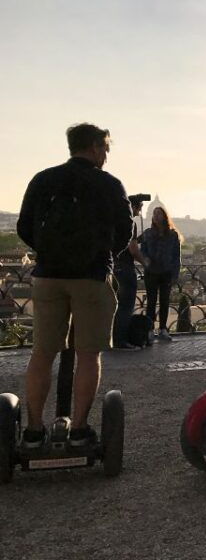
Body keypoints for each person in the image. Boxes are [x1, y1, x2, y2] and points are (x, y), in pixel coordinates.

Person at [16, 123, 132, 448]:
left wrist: (50, 251)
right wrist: (104, 253)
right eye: (105, 149)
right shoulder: (109, 184)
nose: (106, 155)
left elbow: (25, 226)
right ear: (95, 147)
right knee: (88, 354)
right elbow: (125, 231)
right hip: (91, 276)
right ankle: (79, 429)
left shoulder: (43, 179)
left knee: (42, 353)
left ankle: (34, 430)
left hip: (48, 275)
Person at [140, 206, 182, 341]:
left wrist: (175, 274)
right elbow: (142, 250)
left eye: (158, 214)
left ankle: (163, 329)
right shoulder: (147, 233)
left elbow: (176, 256)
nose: (156, 216)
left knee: (165, 301)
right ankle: (150, 329)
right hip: (151, 272)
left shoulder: (173, 235)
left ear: (164, 216)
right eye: (154, 214)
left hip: (166, 272)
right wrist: (145, 260)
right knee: (151, 302)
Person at [112, 197, 148, 349]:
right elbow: (133, 249)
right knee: (126, 306)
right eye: (139, 208)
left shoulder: (112, 221)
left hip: (112, 268)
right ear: (132, 207)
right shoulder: (129, 223)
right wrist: (146, 263)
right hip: (125, 268)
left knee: (114, 305)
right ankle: (120, 340)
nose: (139, 211)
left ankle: (111, 339)